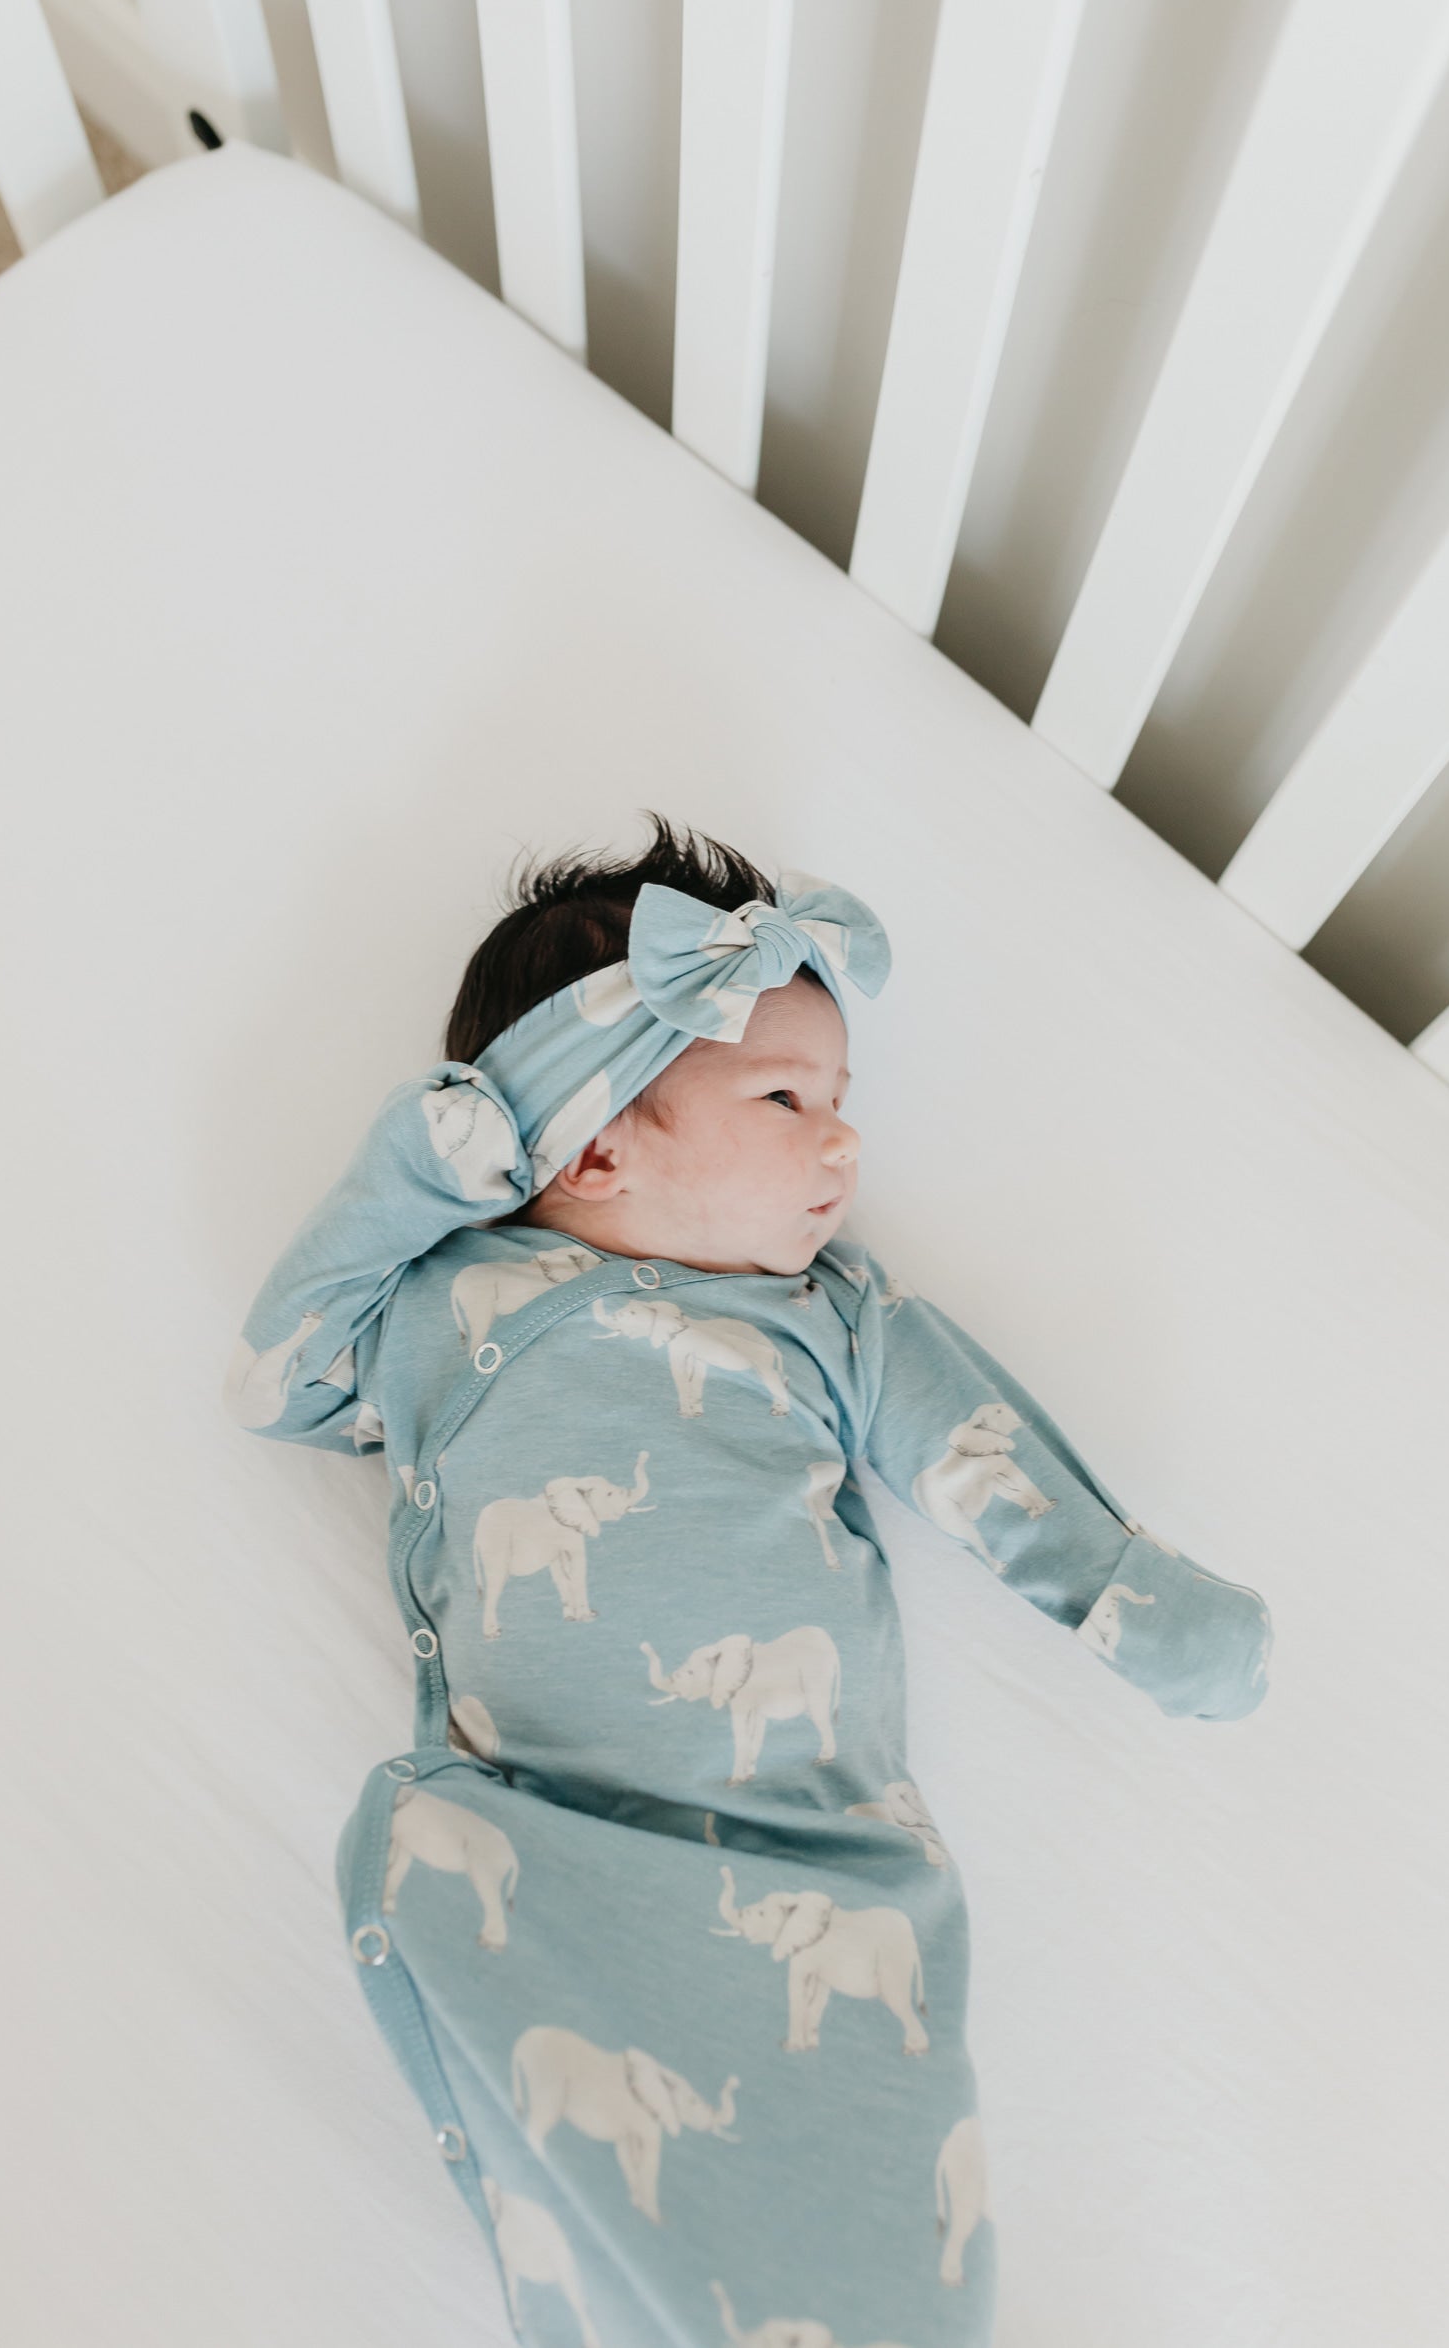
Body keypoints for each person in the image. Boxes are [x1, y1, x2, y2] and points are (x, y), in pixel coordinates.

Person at [222, 811, 1273, 2348]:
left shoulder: (832, 1319)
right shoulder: (443, 1300)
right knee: (609, 2194)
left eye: (841, 1102)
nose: (843, 1144)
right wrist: (415, 1173)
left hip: (818, 1849)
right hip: (552, 1835)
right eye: (787, 1098)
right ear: (590, 1141)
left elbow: (979, 1455)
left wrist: (1124, 1590)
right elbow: (278, 1387)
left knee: (876, 2238)